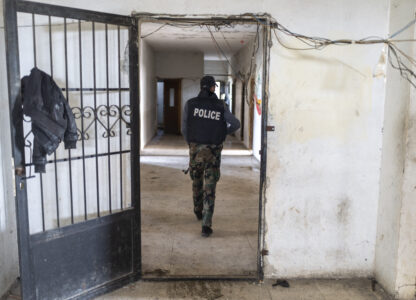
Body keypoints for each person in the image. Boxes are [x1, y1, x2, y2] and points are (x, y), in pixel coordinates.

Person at [182, 76, 240, 237]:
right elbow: (236, 124)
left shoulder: (190, 104)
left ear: (201, 87)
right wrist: (222, 132)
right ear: (213, 88)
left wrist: (191, 144)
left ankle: (197, 210)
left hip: (195, 150)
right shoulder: (220, 105)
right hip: (213, 153)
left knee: (196, 181)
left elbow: (184, 128)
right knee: (210, 187)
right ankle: (206, 226)